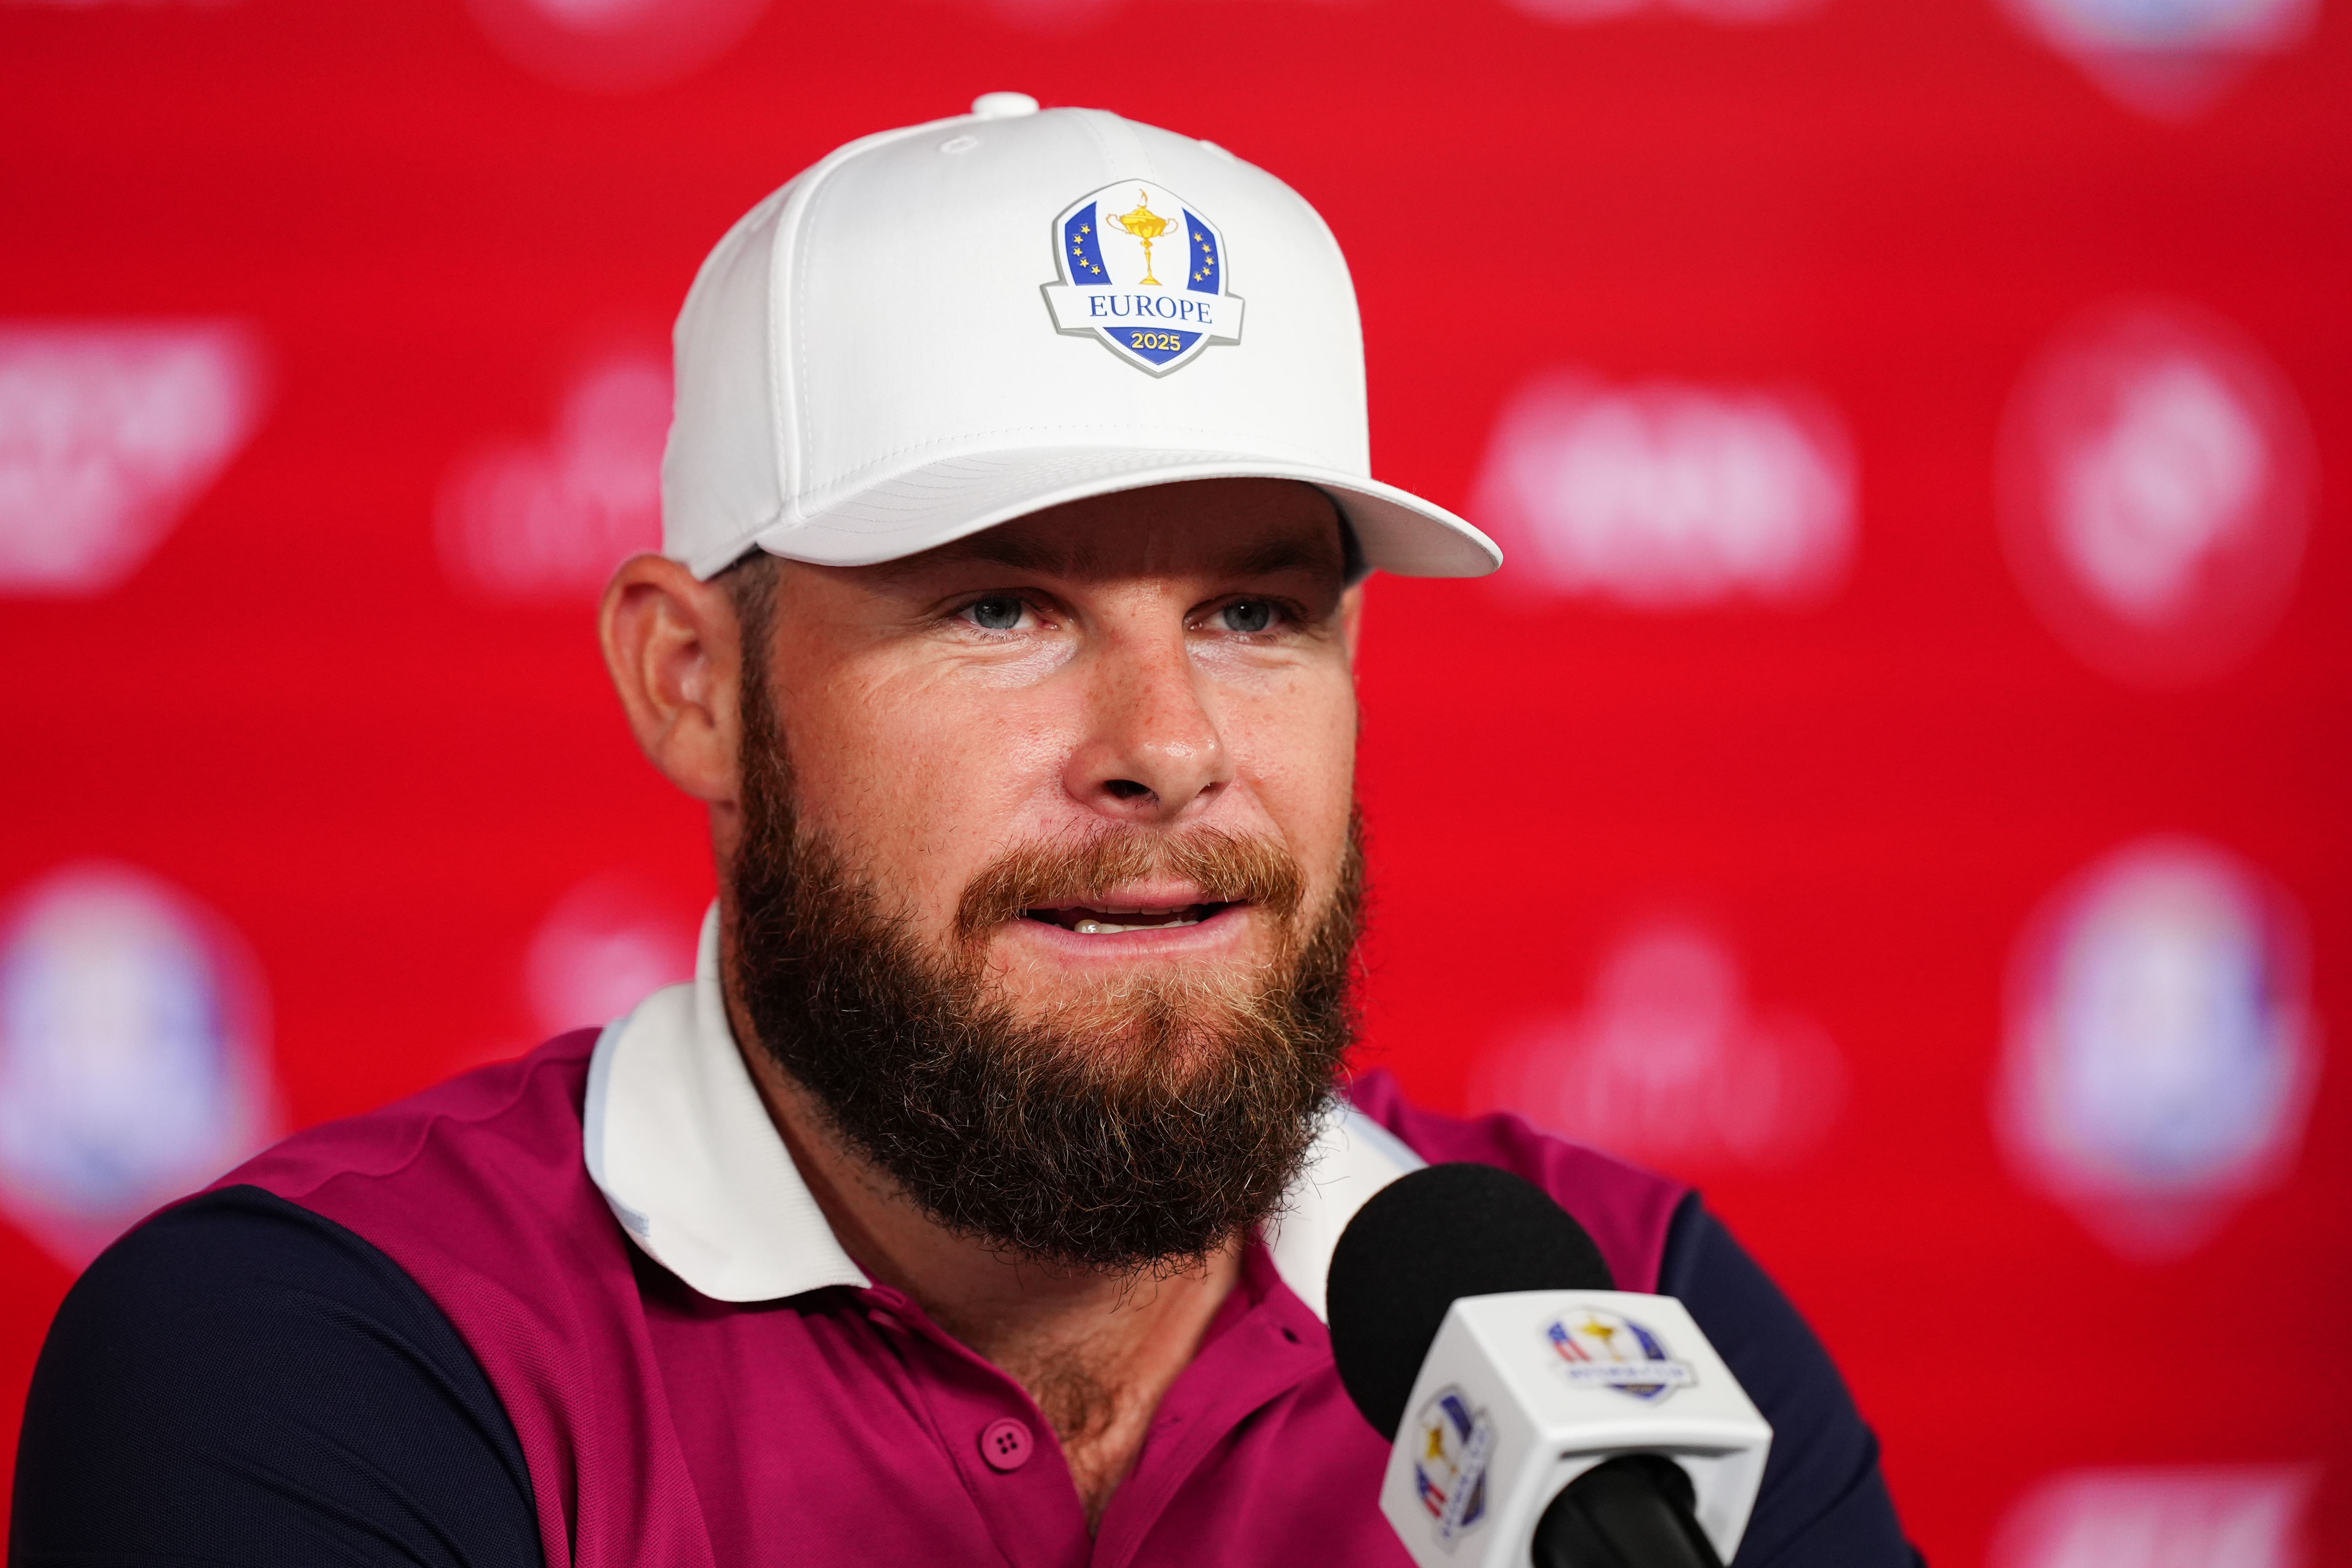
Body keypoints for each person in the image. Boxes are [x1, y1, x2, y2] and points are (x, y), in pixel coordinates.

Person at [11, 97, 1917, 1567]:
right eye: (999, 606)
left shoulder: (1624, 1313)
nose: (1165, 746)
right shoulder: (327, 1350)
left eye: (1253, 614)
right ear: (691, 679)